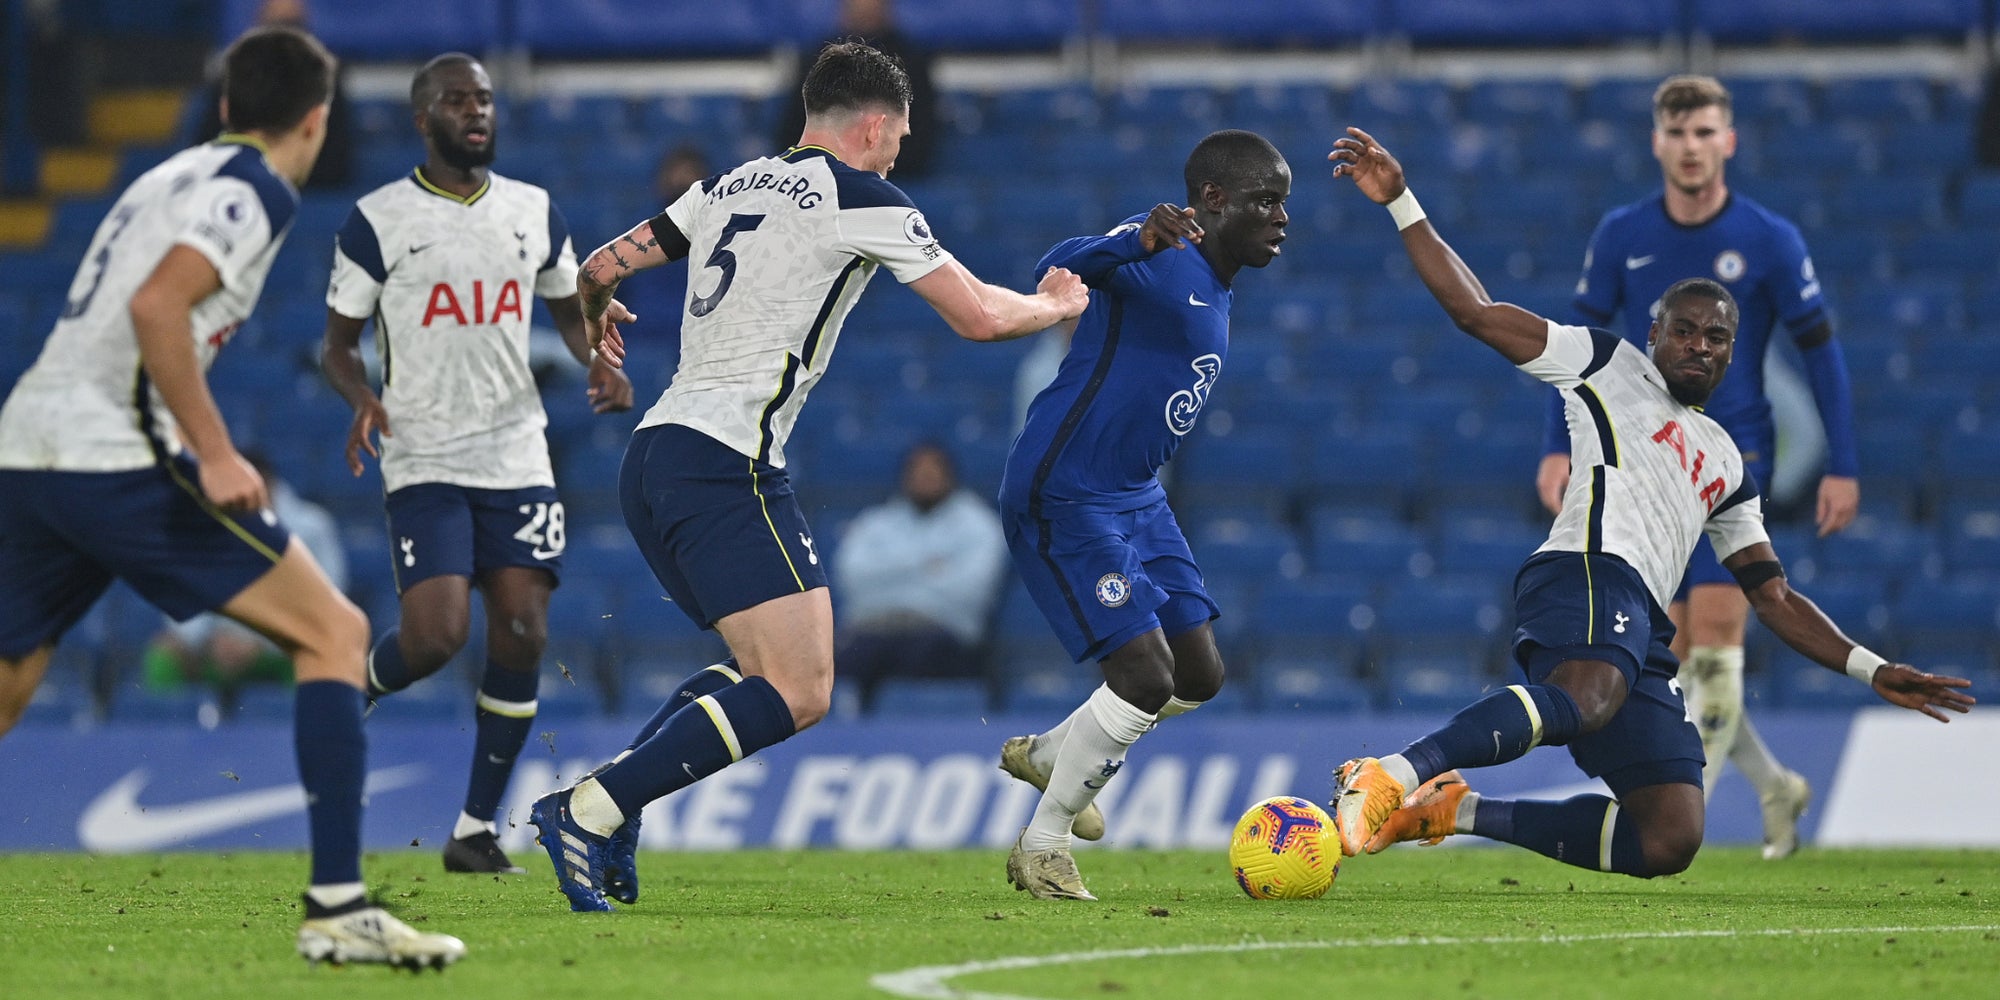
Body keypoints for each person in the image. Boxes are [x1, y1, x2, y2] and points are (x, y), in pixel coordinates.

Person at [522, 41, 1088, 913]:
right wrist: (1055, 304)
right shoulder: (862, 195)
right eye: (899, 138)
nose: (898, 156)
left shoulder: (725, 186)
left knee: (763, 670)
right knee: (802, 688)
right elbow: (978, 315)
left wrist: (595, 333)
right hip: (725, 462)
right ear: (873, 126)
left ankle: (613, 807)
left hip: (658, 451)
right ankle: (591, 809)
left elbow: (596, 269)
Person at [1325, 126, 1972, 879]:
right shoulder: (1604, 363)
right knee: (1588, 695)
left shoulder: (1725, 459)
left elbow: (1774, 596)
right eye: (1685, 331)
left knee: (1669, 834)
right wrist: (1401, 200)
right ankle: (1394, 772)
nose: (1700, 345)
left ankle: (1450, 811)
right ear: (1655, 333)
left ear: (1732, 353)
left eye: (1717, 337)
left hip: (1642, 624)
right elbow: (1477, 311)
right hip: (1587, 569)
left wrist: (1872, 669)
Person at [0, 26, 463, 968]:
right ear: (316, 119)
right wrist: (213, 453)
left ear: (222, 106)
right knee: (333, 632)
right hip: (113, 451)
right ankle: (338, 907)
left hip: (27, 445)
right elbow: (156, 306)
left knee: (6, 688)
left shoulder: (165, 176)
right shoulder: (252, 189)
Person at [320, 53, 634, 877]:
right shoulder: (377, 219)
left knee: (524, 630)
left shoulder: (533, 211)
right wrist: (359, 396)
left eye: (485, 99)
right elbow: (337, 346)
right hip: (423, 452)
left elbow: (570, 314)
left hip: (515, 452)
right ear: (423, 118)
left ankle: (474, 831)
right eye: (458, 100)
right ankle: (352, 688)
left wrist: (598, 360)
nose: (476, 112)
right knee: (436, 637)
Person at [1535, 76, 1860, 860]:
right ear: (1658, 143)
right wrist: (1556, 445)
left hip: (1730, 456)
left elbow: (1822, 351)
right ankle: (1775, 784)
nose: (1692, 147)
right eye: (1679, 133)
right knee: (1673, 654)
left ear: (1728, 141)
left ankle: (1684, 820)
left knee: (1715, 634)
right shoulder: (1622, 234)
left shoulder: (1769, 238)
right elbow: (1573, 349)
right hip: (1642, 467)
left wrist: (1842, 463)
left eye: (1706, 132)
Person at [995, 129, 1292, 901]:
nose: (1281, 217)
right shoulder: (1159, 249)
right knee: (1144, 675)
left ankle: (1052, 755)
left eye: (1283, 203)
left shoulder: (1216, 282)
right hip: (1068, 488)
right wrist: (1133, 240)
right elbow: (1057, 266)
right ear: (1213, 200)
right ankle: (1043, 846)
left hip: (1136, 494)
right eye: (1266, 200)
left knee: (1199, 674)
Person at [143, 452, 347, 698]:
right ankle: (171, 725)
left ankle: (305, 722)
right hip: (216, 649)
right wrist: (205, 641)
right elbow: (186, 592)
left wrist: (261, 643)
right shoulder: (205, 523)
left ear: (268, 486)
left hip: (282, 648)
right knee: (164, 655)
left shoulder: (313, 528)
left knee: (315, 656)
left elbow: (326, 605)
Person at [832, 440, 1008, 712]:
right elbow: (853, 578)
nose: (925, 477)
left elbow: (970, 591)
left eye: (933, 470)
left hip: (941, 635)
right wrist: (927, 566)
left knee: (921, 653)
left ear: (950, 475)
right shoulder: (875, 522)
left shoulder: (979, 524)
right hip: (872, 632)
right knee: (835, 661)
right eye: (918, 470)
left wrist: (891, 579)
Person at [196, 0, 355, 191]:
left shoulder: (327, 81)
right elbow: (206, 148)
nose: (282, 42)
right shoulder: (231, 77)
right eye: (275, 28)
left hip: (312, 194)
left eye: (291, 26)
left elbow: (336, 163)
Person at [776, 0, 938, 180]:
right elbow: (796, 124)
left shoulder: (910, 60)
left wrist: (881, 170)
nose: (863, 5)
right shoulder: (819, 57)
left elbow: (921, 129)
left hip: (896, 176)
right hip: (822, 175)